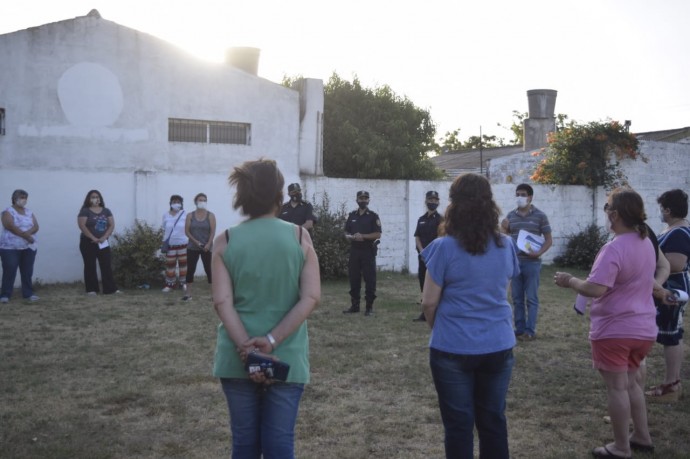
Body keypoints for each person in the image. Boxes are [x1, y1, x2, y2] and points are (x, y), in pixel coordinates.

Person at [211, 158, 320, 458]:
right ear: (279, 196)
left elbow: (222, 302)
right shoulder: (300, 237)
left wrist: (247, 348)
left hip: (237, 357)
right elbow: (310, 297)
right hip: (287, 357)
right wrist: (271, 342)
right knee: (279, 445)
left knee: (243, 445)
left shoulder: (225, 241)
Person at [554, 187, 657, 458]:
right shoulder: (645, 242)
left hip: (615, 330)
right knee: (633, 384)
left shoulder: (614, 248)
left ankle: (621, 447)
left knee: (617, 388)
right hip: (643, 329)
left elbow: (596, 288)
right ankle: (642, 436)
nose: (605, 212)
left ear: (614, 214)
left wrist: (570, 281)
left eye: (607, 207)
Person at [421, 173, 519, 459]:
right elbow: (504, 291)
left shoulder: (443, 247)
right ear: (490, 205)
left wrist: (440, 329)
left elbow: (428, 303)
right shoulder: (506, 245)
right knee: (493, 423)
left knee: (458, 427)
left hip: (452, 347)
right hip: (498, 344)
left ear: (453, 205)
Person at [645, 188, 690, 402]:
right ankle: (671, 383)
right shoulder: (673, 230)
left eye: (662, 208)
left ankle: (672, 385)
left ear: (668, 210)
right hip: (669, 288)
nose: (660, 212)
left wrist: (648, 261)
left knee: (671, 334)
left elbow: (676, 263)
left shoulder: (679, 232)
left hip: (672, 289)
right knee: (671, 333)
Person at [501, 183, 552, 340]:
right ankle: (519, 329)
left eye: (523, 194)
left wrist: (538, 253)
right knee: (516, 298)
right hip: (515, 262)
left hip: (532, 263)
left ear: (530, 197)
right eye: (517, 194)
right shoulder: (510, 216)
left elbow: (549, 240)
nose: (520, 197)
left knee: (531, 298)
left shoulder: (540, 216)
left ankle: (530, 330)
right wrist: (503, 228)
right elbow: (504, 238)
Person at [343, 190, 382, 316]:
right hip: (354, 250)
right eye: (361, 198)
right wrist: (349, 236)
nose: (363, 200)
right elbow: (345, 231)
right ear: (357, 200)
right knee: (354, 278)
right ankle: (355, 306)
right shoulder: (352, 215)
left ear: (368, 200)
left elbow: (378, 234)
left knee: (370, 280)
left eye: (365, 198)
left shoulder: (373, 216)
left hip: (368, 251)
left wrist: (363, 236)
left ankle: (369, 307)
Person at [77, 190, 119, 295]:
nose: (95, 199)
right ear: (89, 199)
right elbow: (82, 226)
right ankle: (92, 289)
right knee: (90, 265)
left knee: (106, 265)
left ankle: (110, 289)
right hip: (88, 242)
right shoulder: (85, 211)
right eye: (93, 197)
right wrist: (93, 237)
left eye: (97, 197)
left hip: (103, 242)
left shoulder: (106, 211)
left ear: (100, 199)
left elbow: (111, 225)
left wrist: (104, 237)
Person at [0, 189, 40, 303]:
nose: (23, 199)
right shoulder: (7, 211)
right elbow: (10, 226)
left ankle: (28, 293)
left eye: (25, 197)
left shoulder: (29, 212)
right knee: (10, 269)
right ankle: (5, 294)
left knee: (27, 271)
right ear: (14, 198)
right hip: (10, 247)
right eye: (21, 197)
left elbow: (36, 226)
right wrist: (26, 236)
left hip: (28, 247)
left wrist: (28, 234)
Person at [412, 190, 442, 322]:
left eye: (435, 200)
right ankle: (424, 313)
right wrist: (422, 251)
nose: (433, 202)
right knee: (422, 283)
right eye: (430, 200)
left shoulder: (441, 220)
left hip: (435, 257)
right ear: (426, 201)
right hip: (423, 256)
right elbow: (417, 236)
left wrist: (430, 253)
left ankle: (437, 311)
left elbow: (441, 238)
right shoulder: (421, 219)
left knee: (435, 284)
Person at [183, 193, 216, 301]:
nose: (202, 202)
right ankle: (188, 294)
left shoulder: (210, 215)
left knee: (209, 270)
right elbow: (187, 231)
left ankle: (213, 294)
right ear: (196, 201)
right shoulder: (190, 216)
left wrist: (208, 244)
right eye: (200, 200)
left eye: (204, 200)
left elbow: (212, 232)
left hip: (207, 247)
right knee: (190, 270)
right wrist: (196, 242)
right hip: (192, 247)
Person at [161, 194, 188, 292]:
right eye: (174, 202)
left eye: (178, 202)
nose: (176, 204)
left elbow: (188, 227)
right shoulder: (165, 215)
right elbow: (164, 228)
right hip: (170, 244)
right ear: (170, 203)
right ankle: (170, 284)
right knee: (170, 265)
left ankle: (183, 283)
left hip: (183, 243)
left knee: (183, 265)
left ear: (181, 204)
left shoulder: (185, 214)